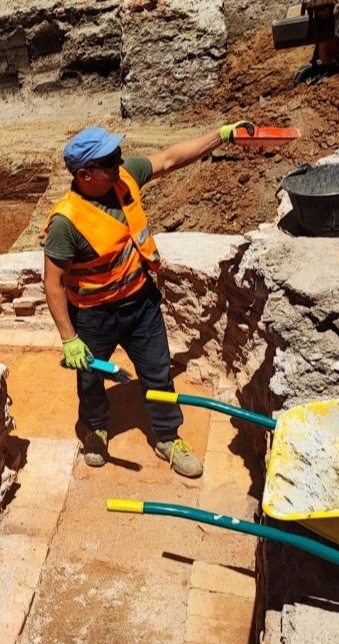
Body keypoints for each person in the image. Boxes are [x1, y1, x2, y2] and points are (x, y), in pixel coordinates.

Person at [43, 122, 251, 477]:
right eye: (109, 162)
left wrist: (221, 134)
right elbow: (53, 283)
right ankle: (95, 428)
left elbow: (170, 159)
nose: (118, 164)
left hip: (141, 304)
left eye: (117, 157)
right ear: (84, 173)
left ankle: (168, 437)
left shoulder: (123, 178)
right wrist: (69, 338)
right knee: (90, 378)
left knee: (158, 372)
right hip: (94, 315)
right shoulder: (66, 222)